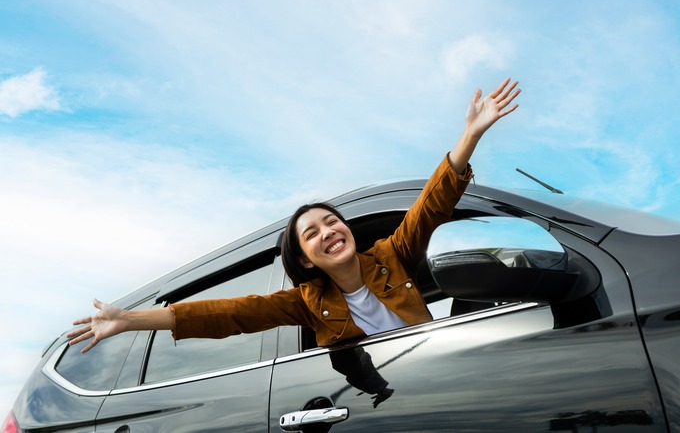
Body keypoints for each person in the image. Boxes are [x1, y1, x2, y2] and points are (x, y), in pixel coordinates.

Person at [68, 78, 521, 353]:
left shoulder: (390, 257)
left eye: (331, 221)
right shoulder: (306, 303)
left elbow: (430, 206)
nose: (328, 231)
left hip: (435, 368)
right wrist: (129, 319)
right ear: (305, 259)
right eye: (312, 233)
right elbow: (226, 314)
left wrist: (469, 136)